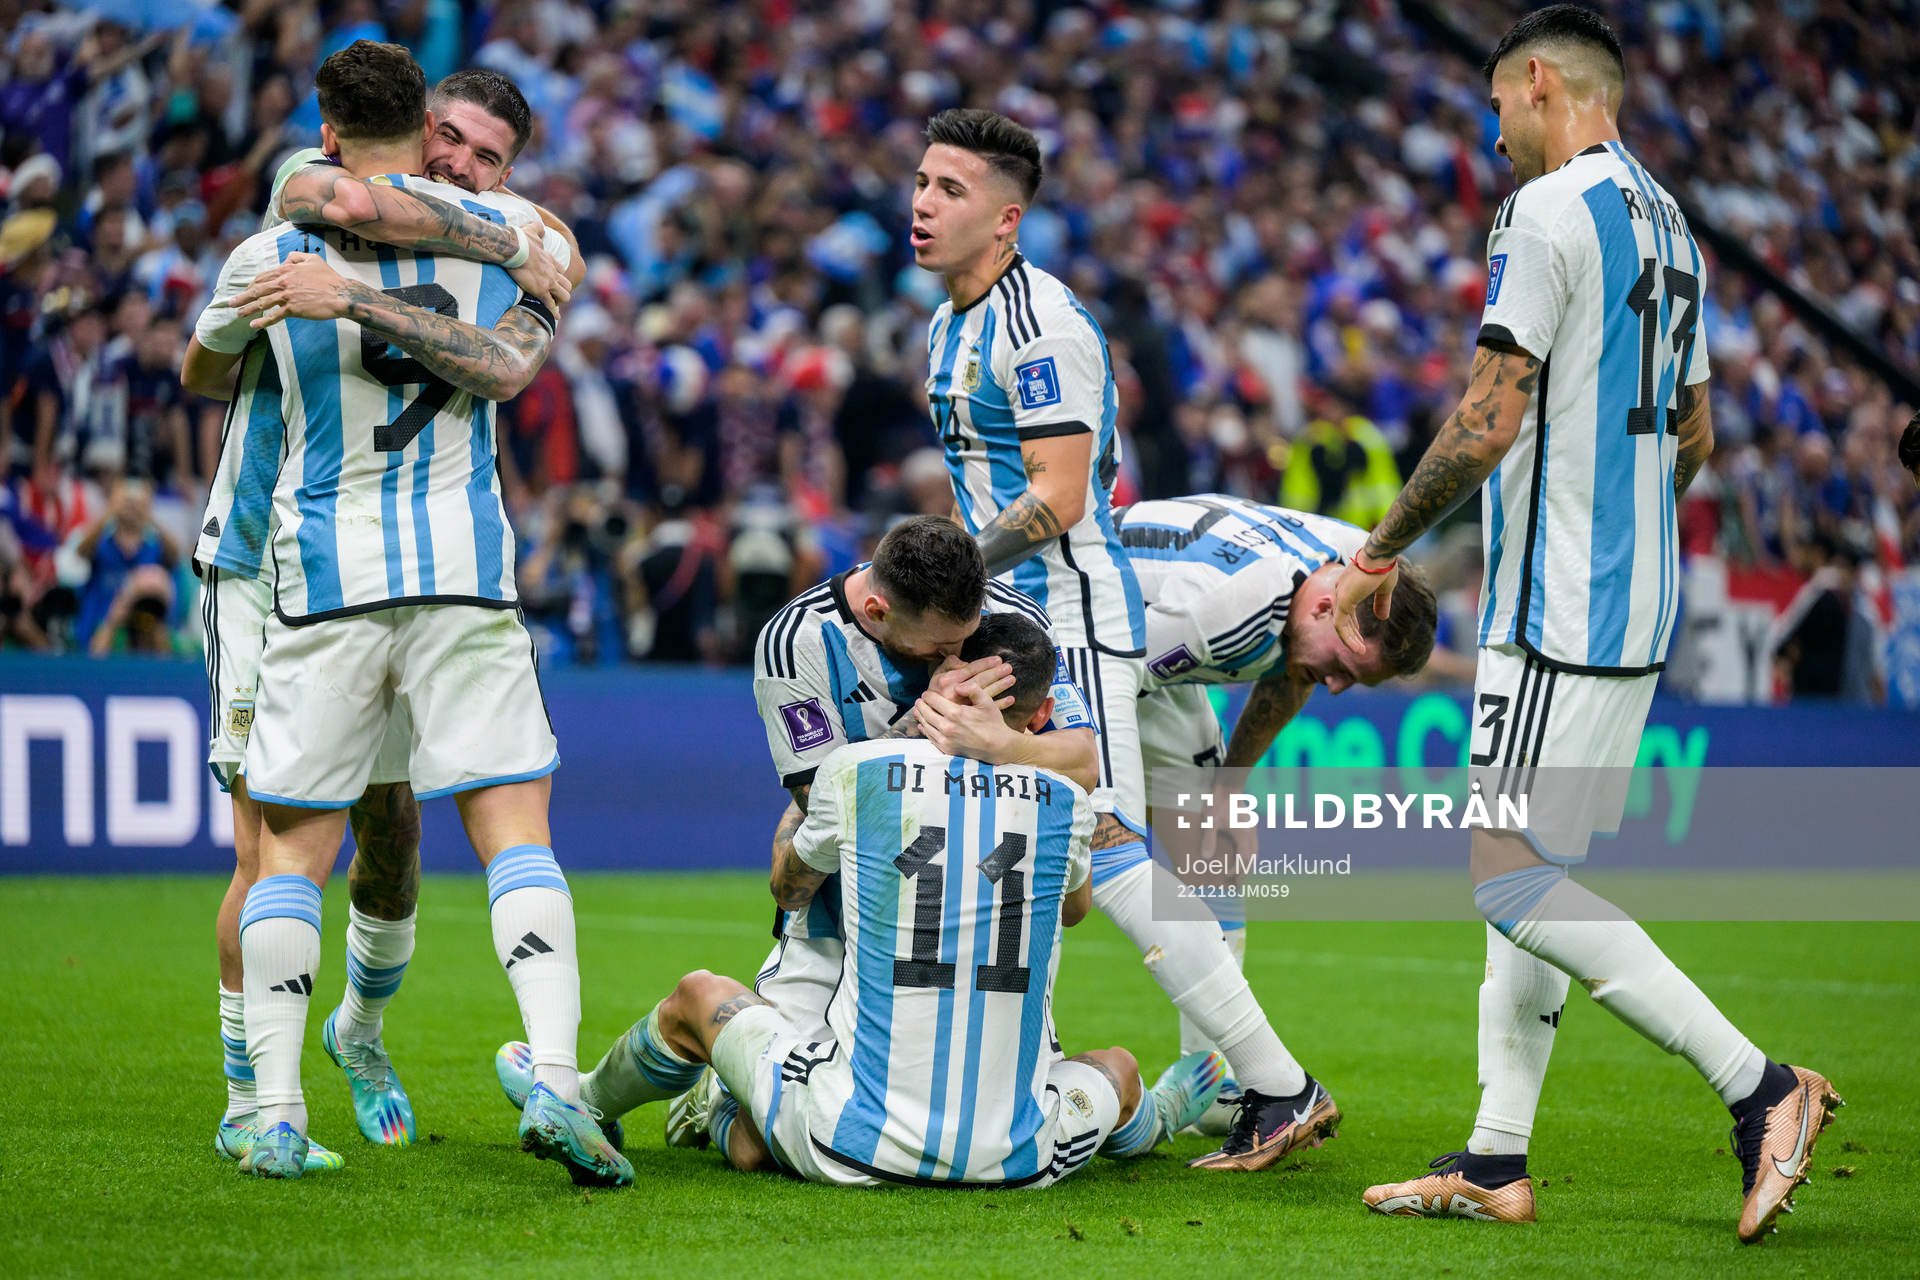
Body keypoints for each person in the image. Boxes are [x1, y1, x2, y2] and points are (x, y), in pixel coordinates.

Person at [1331, 7, 1840, 1240]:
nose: (1494, 133)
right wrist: (1622, 533)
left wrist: (1379, 553)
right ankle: (1498, 1155)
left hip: (1557, 608)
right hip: (1633, 601)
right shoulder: (1673, 225)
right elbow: (1698, 436)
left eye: (1499, 106)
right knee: (1538, 876)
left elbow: (1487, 417)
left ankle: (1762, 1085)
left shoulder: (1547, 212)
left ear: (1542, 84)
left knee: (1509, 883)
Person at [181, 40, 624, 1188]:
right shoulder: (362, 212)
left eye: (492, 159)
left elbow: (500, 361)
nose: (467, 168)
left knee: (378, 836)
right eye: (453, 143)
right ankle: (253, 1098)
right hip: (265, 562)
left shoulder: (331, 242)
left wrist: (364, 281)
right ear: (419, 127)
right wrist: (492, 243)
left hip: (354, 569)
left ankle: (356, 1042)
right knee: (273, 842)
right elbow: (324, 203)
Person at [910, 108, 1316, 1172]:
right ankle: (1242, 1082)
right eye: (920, 181)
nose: (921, 202)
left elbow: (1057, 491)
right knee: (1093, 857)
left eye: (949, 189)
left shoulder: (1036, 321)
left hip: (1078, 615)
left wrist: (953, 573)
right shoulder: (949, 324)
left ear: (1006, 220)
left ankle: (1278, 1085)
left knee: (1115, 853)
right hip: (1018, 616)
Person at [498, 614, 1228, 1186]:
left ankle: (586, 1099)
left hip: (847, 1143)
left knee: (701, 1002)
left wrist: (820, 830)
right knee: (1121, 1071)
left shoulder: (861, 770)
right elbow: (1073, 910)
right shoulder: (1066, 802)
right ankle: (1152, 1123)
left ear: (942, 681)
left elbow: (788, 887)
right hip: (1019, 1159)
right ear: (1038, 716)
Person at [1119, 493, 1437, 1130]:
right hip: (1086, 636)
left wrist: (1227, 790)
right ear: (1325, 607)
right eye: (1345, 670)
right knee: (1094, 846)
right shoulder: (1225, 609)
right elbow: (1105, 679)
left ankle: (1211, 1084)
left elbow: (1294, 672)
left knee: (1214, 856)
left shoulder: (1361, 573)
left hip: (1148, 652)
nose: (1338, 688)